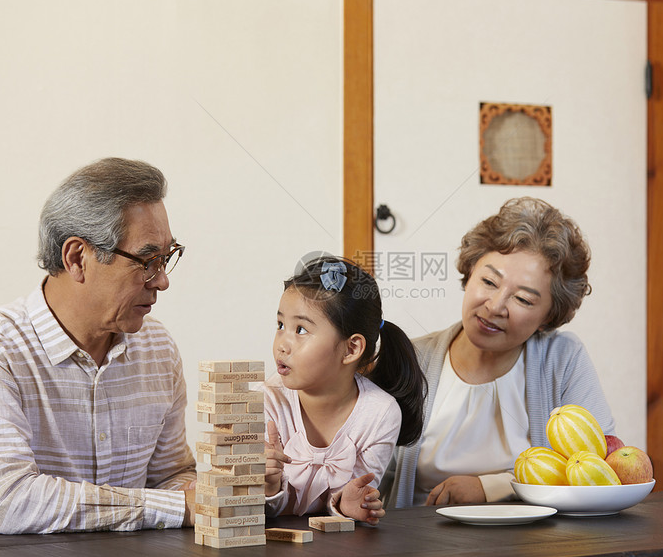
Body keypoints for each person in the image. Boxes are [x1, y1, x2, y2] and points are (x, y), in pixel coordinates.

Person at [0, 158, 197, 536]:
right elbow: (9, 502)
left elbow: (172, 476)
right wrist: (177, 505)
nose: (161, 281)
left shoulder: (156, 347)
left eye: (166, 257)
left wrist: (231, 491)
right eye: (147, 260)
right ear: (77, 258)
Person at [382, 196, 618, 508]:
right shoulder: (413, 357)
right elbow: (369, 468)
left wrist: (489, 487)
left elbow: (597, 467)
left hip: (536, 545)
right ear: (470, 273)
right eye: (489, 281)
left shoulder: (563, 359)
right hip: (422, 544)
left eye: (522, 299)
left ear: (548, 316)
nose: (495, 306)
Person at [264, 255, 425, 523]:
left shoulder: (380, 414)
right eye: (281, 325)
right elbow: (245, 511)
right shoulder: (265, 402)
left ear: (351, 348)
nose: (282, 344)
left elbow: (346, 500)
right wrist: (266, 488)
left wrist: (346, 504)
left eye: (301, 329)